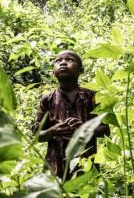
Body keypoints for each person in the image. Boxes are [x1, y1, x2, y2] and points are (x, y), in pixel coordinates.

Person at [33, 50, 109, 180]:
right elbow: (37, 135)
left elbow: (105, 130)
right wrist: (53, 131)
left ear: (80, 70)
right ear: (53, 72)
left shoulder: (93, 97)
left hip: (86, 167)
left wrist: (85, 129)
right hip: (54, 169)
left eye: (70, 60)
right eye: (58, 61)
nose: (63, 63)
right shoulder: (47, 99)